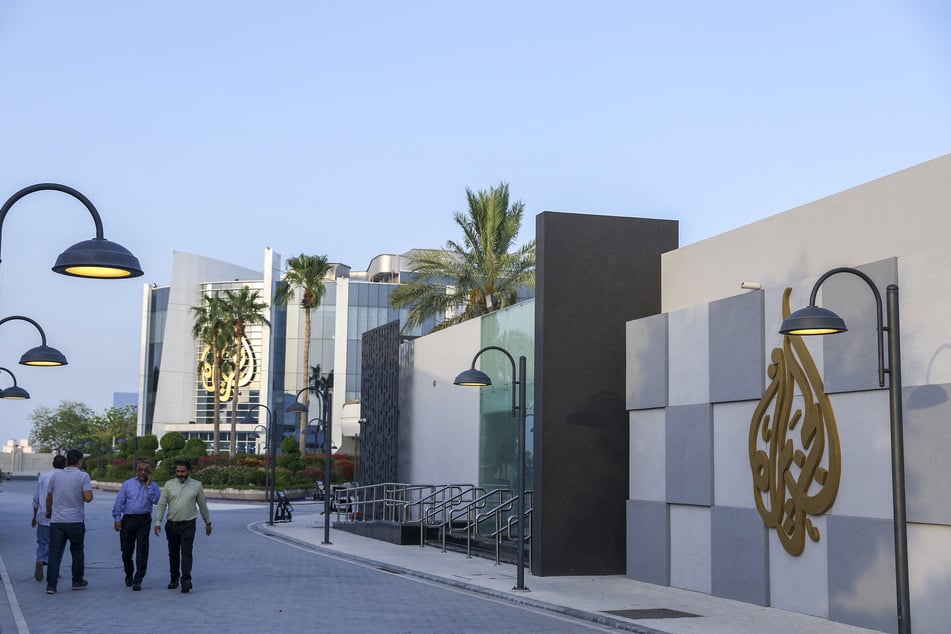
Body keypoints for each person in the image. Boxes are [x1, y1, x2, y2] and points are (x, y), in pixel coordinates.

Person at [153, 459, 212, 593]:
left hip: (188, 524)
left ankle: (186, 579)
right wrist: (158, 522)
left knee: (186, 551)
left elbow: (202, 505)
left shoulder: (196, 485)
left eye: (183, 471)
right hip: (172, 524)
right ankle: (174, 578)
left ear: (188, 471)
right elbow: (162, 505)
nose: (180, 474)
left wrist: (207, 522)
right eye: (178, 471)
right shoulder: (169, 485)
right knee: (173, 553)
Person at [45, 449, 93, 594]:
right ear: (79, 461)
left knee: (55, 553)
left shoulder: (55, 476)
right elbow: (88, 497)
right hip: (75, 520)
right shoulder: (83, 476)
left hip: (57, 521)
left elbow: (49, 497)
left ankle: (51, 585)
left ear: (67, 461)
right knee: (77, 551)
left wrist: (48, 511)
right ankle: (77, 580)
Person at [112, 462, 161, 591]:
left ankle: (138, 579)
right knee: (126, 551)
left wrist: (149, 487)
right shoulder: (128, 484)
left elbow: (157, 501)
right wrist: (117, 519)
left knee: (142, 550)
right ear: (136, 472)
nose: (143, 472)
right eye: (140, 470)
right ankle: (129, 573)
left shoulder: (154, 486)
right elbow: (119, 502)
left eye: (146, 470)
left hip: (144, 520)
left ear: (150, 473)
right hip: (128, 519)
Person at [31, 455, 66, 582]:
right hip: (60, 517)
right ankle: (54, 571)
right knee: (58, 545)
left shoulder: (43, 476)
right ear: (64, 464)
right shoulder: (65, 477)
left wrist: (35, 516)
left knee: (43, 542)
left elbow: (36, 498)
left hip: (42, 516)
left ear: (53, 463)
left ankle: (41, 559)